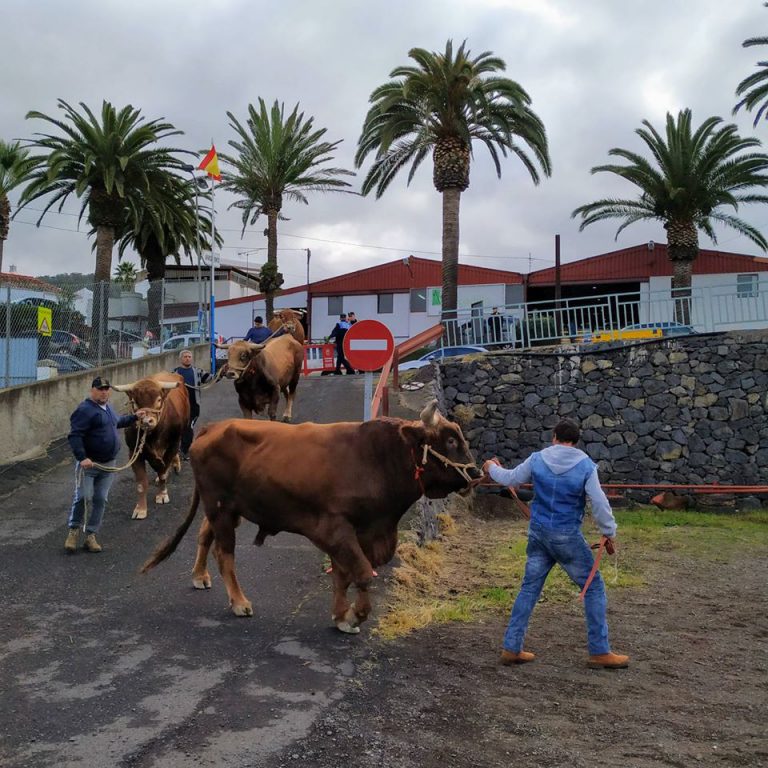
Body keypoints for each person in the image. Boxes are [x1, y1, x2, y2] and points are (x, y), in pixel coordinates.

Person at [482, 418, 629, 669]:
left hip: (538, 534)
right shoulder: (585, 465)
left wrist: (490, 467)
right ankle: (599, 651)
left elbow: (510, 478)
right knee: (593, 587)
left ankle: (511, 647)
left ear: (554, 437)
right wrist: (609, 530)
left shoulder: (537, 459)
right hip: (567, 536)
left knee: (529, 589)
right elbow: (599, 502)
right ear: (576, 441)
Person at [65, 376, 145, 553]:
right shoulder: (85, 410)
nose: (104, 392)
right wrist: (82, 457)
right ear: (92, 390)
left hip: (108, 465)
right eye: (100, 389)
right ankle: (73, 531)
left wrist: (134, 417)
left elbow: (117, 422)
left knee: (101, 499)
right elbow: (75, 436)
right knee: (83, 497)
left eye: (106, 389)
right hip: (89, 465)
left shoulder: (107, 408)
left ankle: (91, 536)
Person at [172, 349, 213, 459]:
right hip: (179, 406)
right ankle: (179, 450)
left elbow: (211, 379)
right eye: (185, 356)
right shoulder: (175, 373)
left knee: (188, 427)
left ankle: (185, 451)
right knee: (179, 428)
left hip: (194, 405)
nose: (187, 358)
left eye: (189, 356)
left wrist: (222, 373)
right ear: (181, 359)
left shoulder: (198, 371)